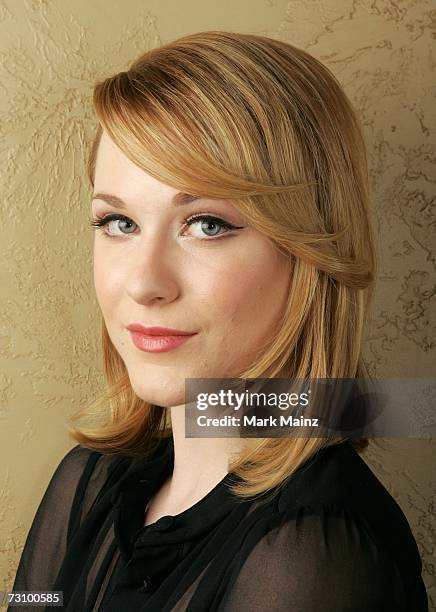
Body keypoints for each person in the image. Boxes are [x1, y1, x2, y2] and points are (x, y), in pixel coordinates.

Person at [9, 30, 428, 612]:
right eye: (118, 223)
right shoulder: (85, 482)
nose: (143, 283)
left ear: (311, 249)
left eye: (206, 224)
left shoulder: (311, 555)